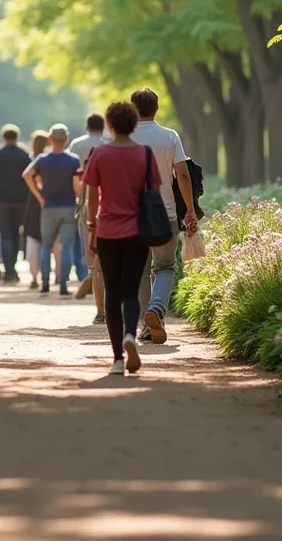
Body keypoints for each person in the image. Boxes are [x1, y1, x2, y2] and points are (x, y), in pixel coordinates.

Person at [83, 101, 161, 376]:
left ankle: (117, 357)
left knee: (112, 293)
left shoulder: (100, 154)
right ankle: (131, 334)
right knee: (130, 290)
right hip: (137, 232)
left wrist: (92, 228)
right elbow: (155, 192)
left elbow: (92, 196)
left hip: (107, 232)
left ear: (110, 124)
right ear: (134, 124)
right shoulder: (145, 154)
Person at [129, 88, 198, 343]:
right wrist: (189, 210)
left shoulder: (123, 137)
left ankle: (146, 325)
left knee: (139, 269)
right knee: (165, 267)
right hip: (165, 213)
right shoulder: (170, 136)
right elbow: (183, 174)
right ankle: (157, 308)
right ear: (156, 108)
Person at [24, 124, 83, 296]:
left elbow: (27, 174)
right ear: (66, 139)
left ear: (50, 139)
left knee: (46, 245)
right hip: (68, 207)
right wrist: (79, 197)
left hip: (48, 207)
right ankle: (63, 285)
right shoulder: (73, 160)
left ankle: (44, 283)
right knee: (66, 247)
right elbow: (77, 186)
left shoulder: (42, 159)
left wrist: (39, 195)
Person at [69, 113, 108, 295]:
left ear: (87, 126)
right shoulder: (108, 143)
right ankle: (96, 278)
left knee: (86, 241)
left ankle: (89, 275)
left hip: (83, 195)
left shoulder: (77, 144)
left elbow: (72, 171)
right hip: (106, 197)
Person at [0, 124, 31, 283]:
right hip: (21, 199)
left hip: (2, 198)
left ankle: (8, 271)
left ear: (4, 138)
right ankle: (13, 268)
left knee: (5, 234)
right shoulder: (24, 154)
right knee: (16, 233)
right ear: (17, 137)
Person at [74, 147, 107, 324]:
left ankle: (101, 311)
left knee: (97, 267)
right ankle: (106, 310)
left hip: (93, 215)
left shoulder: (90, 168)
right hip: (111, 214)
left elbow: (85, 198)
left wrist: (88, 223)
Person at [22, 130, 49, 288]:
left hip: (32, 203)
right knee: (51, 241)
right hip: (50, 202)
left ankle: (34, 276)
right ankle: (55, 276)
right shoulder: (48, 159)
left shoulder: (30, 160)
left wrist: (37, 195)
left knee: (32, 240)